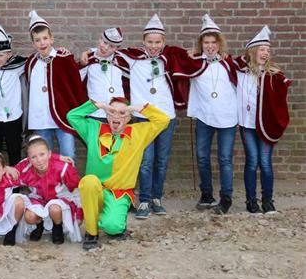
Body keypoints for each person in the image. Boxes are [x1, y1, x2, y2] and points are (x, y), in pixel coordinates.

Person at [118, 14, 208, 219]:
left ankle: (157, 198)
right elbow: (108, 53)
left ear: (163, 42)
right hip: (143, 118)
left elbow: (194, 61)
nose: (153, 46)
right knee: (146, 160)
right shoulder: (132, 59)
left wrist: (194, 52)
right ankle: (144, 200)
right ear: (143, 41)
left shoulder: (170, 58)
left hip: (166, 116)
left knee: (162, 159)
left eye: (157, 42)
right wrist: (89, 53)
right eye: (150, 42)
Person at [68, 97, 170, 250]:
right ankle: (91, 232)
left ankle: (107, 216)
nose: (116, 116)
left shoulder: (139, 133)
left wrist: (135, 108)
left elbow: (163, 120)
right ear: (107, 115)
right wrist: (99, 105)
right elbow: (72, 116)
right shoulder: (93, 129)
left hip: (119, 193)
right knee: (88, 182)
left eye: (122, 113)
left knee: (113, 227)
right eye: (112, 112)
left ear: (129, 118)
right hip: (96, 190)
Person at [178, 14, 239, 214]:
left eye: (214, 42)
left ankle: (226, 198)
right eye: (206, 43)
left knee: (225, 159)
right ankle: (206, 194)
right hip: (204, 116)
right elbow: (174, 60)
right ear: (201, 44)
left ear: (219, 44)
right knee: (202, 156)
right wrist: (190, 54)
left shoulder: (229, 64)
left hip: (227, 118)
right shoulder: (195, 62)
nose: (210, 46)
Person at [232, 26, 291, 214]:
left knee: (265, 162)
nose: (266, 53)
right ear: (253, 51)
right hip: (247, 125)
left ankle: (267, 200)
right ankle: (251, 201)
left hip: (265, 125)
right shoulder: (240, 71)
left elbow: (280, 100)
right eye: (262, 49)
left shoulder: (272, 75)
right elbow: (227, 61)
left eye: (268, 50)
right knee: (252, 161)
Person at [24, 10, 87, 160]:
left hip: (62, 116)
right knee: (44, 157)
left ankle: (69, 177)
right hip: (40, 118)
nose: (42, 43)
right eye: (37, 40)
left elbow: (75, 82)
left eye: (45, 38)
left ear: (52, 39)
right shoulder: (31, 63)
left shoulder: (63, 58)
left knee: (69, 154)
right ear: (33, 43)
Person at [16, 135, 82, 245]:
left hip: (59, 199)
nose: (39, 160)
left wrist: (79, 214)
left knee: (54, 208)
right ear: (29, 159)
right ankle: (39, 225)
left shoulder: (63, 168)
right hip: (39, 199)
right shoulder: (26, 168)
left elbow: (76, 191)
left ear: (49, 154)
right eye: (33, 157)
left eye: (42, 155)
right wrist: (7, 169)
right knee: (29, 216)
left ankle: (57, 226)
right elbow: (10, 174)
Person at [0, 23, 28, 164]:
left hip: (14, 116)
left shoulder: (18, 67)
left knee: (14, 150)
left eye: (1, 55)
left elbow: (36, 59)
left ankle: (15, 177)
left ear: (9, 54)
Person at [78, 27, 130, 121]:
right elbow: (75, 81)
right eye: (105, 42)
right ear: (100, 39)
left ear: (116, 48)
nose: (106, 48)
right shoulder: (88, 60)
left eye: (111, 46)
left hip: (117, 114)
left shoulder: (121, 61)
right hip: (95, 113)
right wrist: (87, 53)